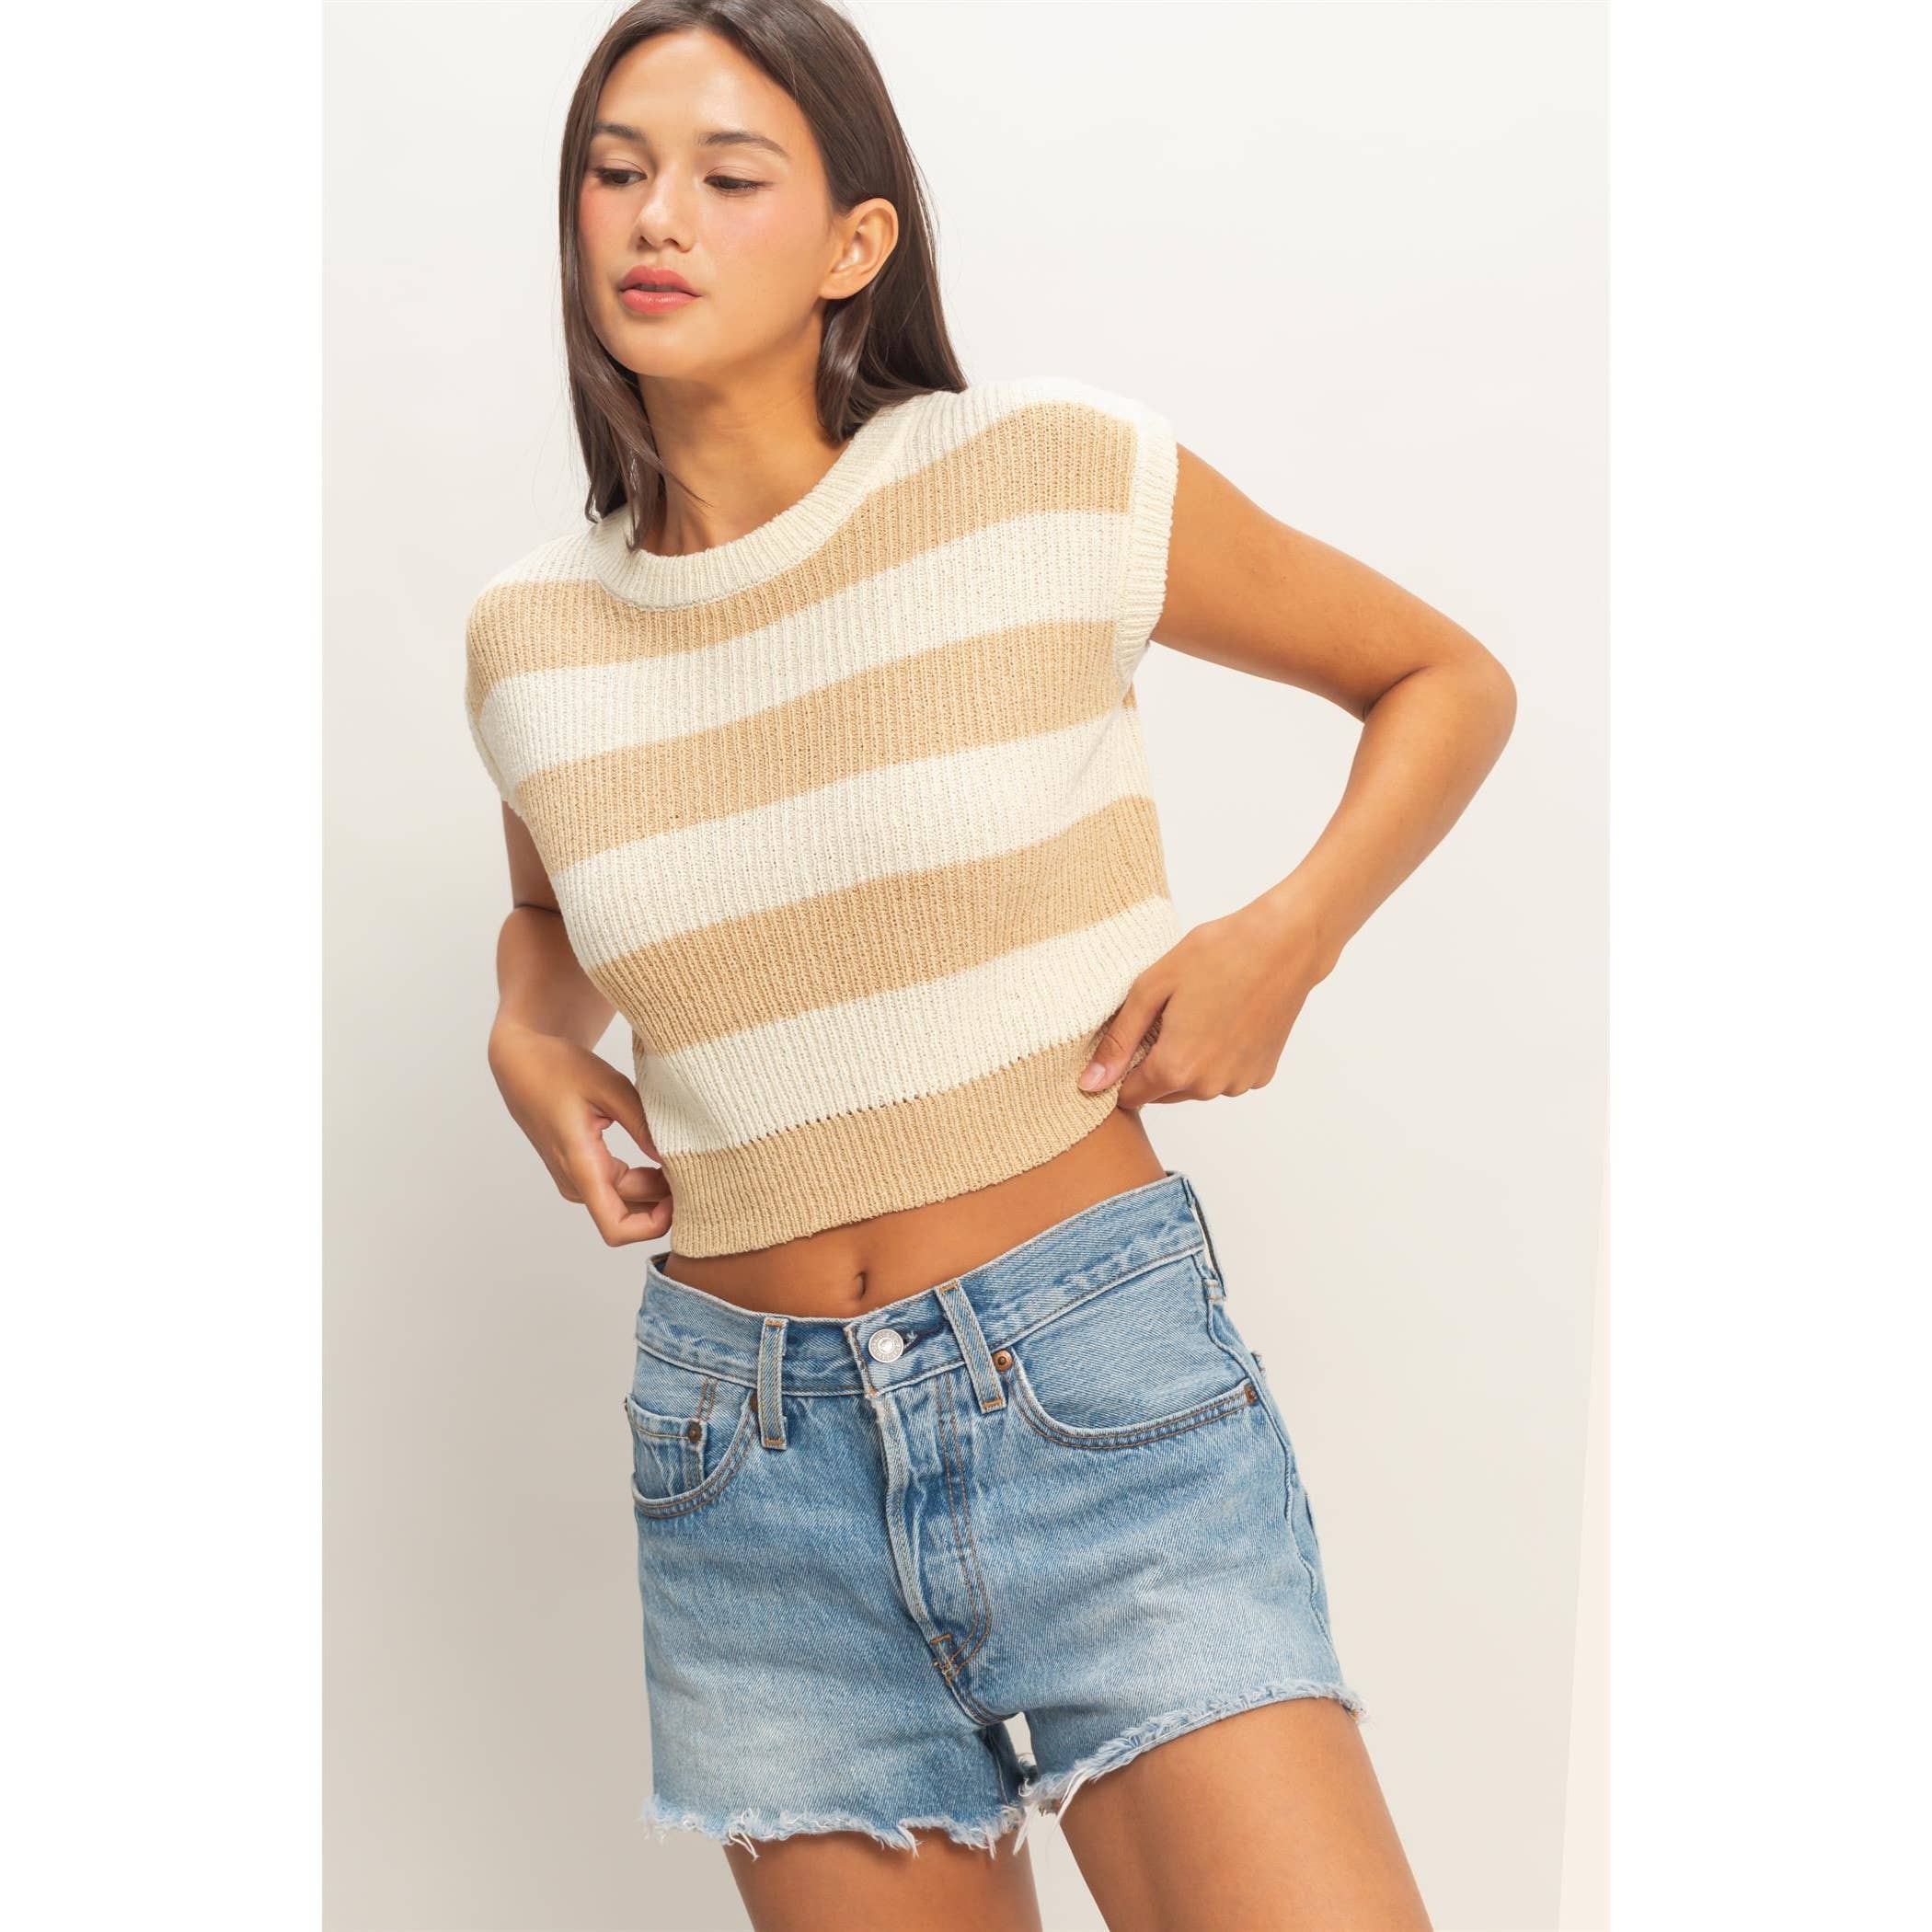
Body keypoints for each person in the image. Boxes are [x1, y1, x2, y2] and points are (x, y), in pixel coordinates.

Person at [463, 6, 1513, 1928]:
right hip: (748, 1461)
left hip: (1092, 1386)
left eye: (727, 174)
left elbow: (1440, 677)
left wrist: (1285, 936)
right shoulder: (531, 636)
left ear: (854, 242)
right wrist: (528, 1043)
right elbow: (547, 924)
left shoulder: (1044, 476)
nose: (654, 216)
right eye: (615, 170)